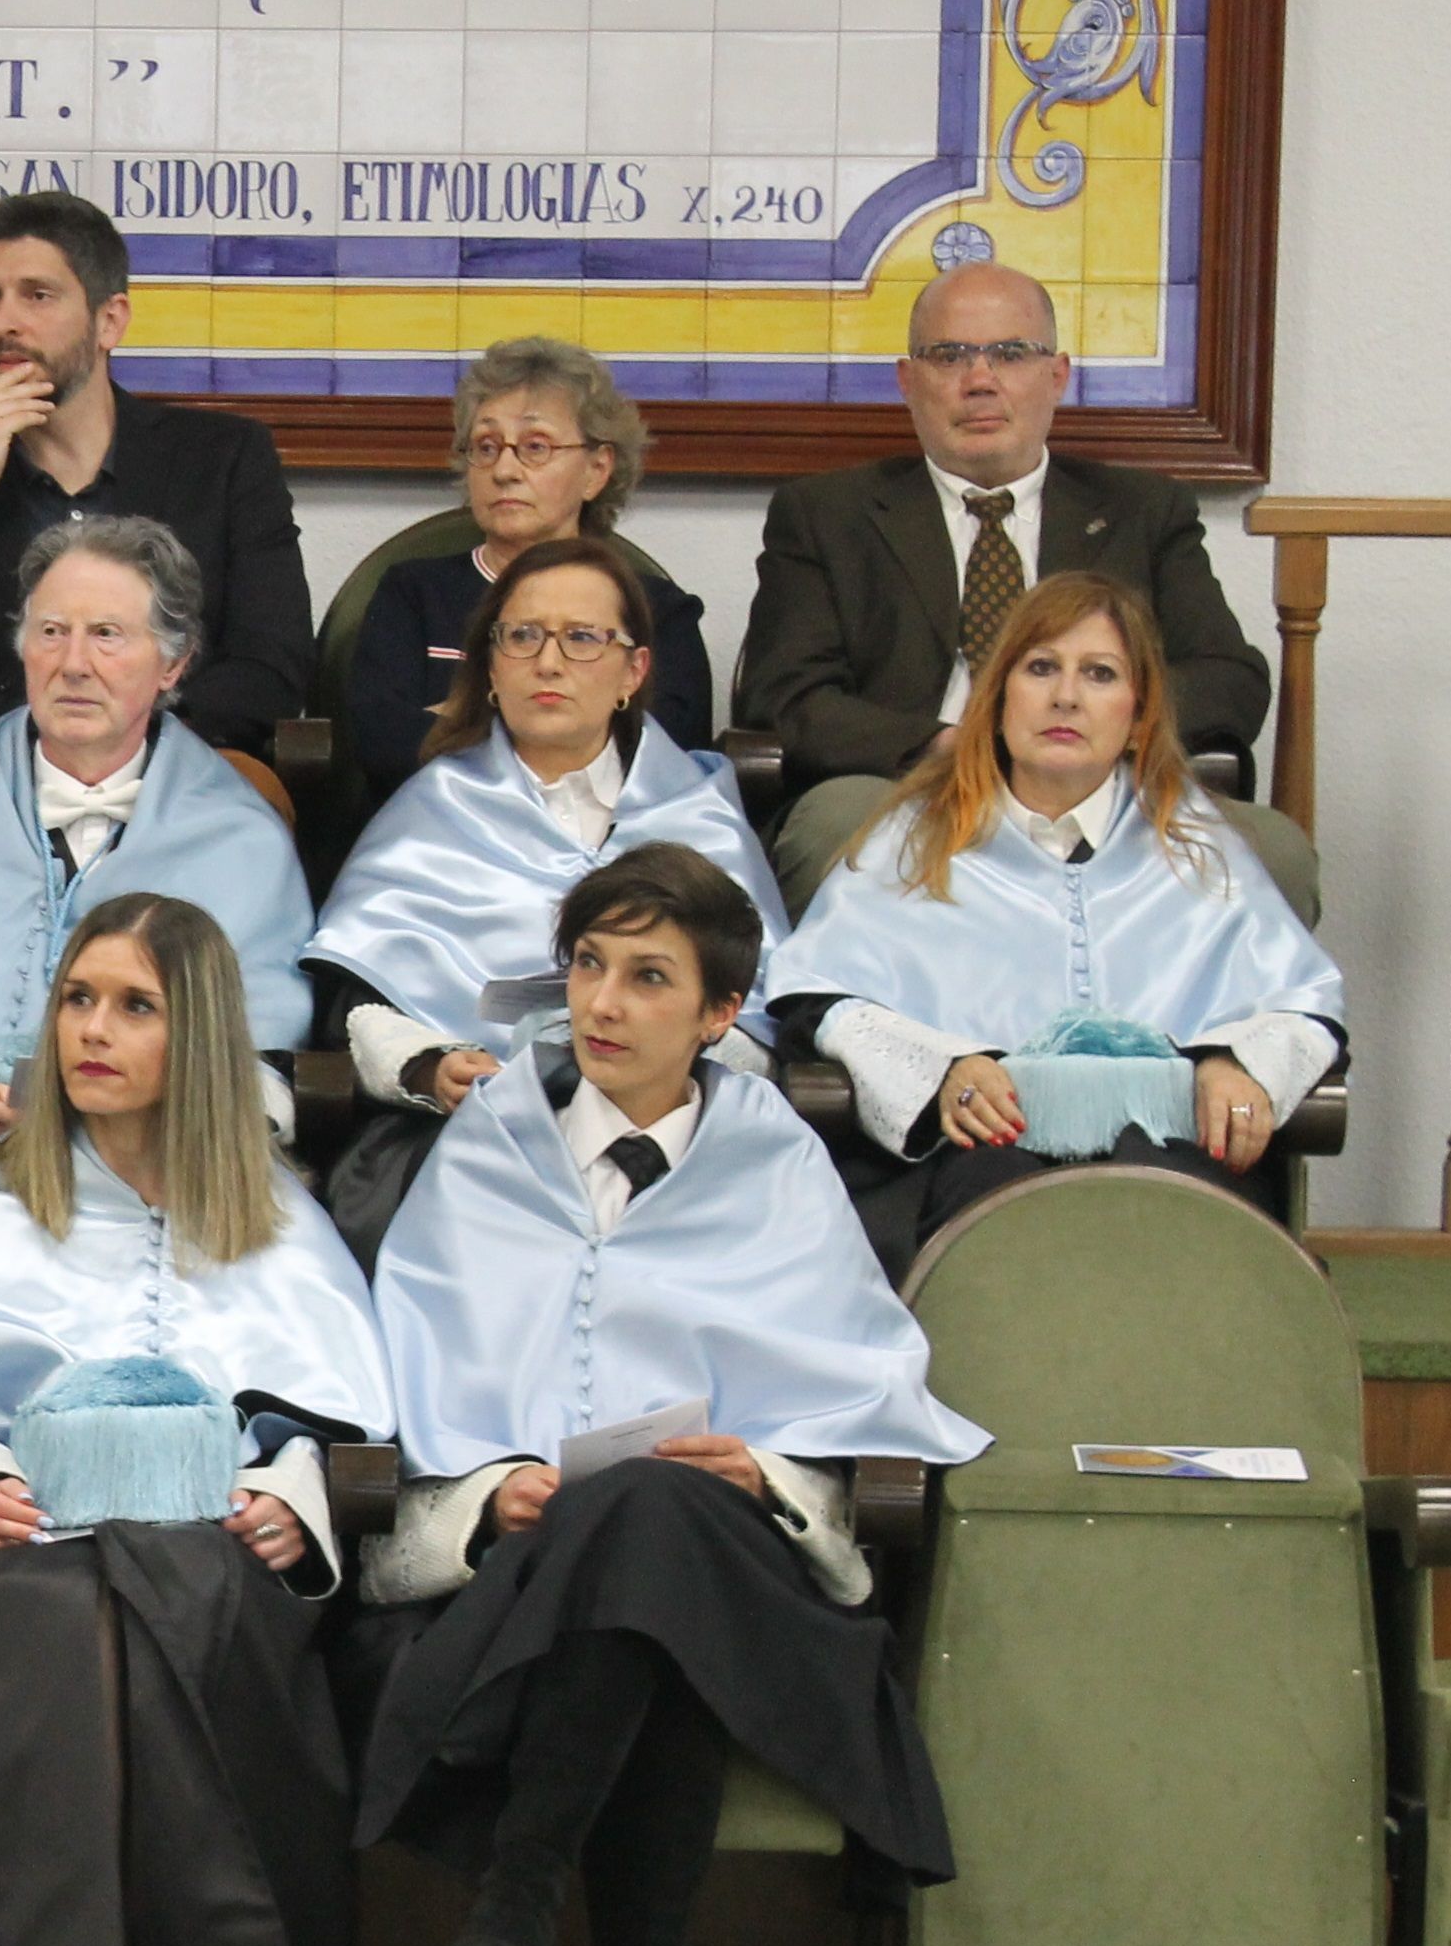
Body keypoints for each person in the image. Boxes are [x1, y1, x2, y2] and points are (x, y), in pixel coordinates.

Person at [355, 844, 988, 1946]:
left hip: (738, 1572)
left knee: (663, 1513)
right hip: (525, 1580)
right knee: (651, 1606)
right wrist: (486, 1491)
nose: (605, 1001)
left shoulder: (777, 1163)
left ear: (717, 1016)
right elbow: (407, 1371)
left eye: (650, 977)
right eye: (587, 965)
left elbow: (851, 1391)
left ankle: (522, 1888)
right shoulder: (488, 1148)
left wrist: (765, 1475)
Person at [0, 895, 388, 1946]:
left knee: (125, 1593)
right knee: (63, 1598)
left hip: (214, 1556)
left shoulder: (277, 1218)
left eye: (134, 1005)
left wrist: (294, 1498)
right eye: (77, 999)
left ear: (198, 1032)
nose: (92, 1030)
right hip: (25, 1545)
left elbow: (335, 1430)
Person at [761, 574, 1344, 1275]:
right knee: (993, 1205)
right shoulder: (910, 843)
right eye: (1040, 668)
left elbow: (1303, 1005)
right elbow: (818, 1001)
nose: (1065, 696)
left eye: (1098, 674)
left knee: (1179, 1208)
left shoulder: (1198, 852)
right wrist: (943, 1067)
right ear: (998, 697)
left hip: (1169, 1151)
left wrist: (1236, 1061)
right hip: (971, 1152)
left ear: (1137, 714)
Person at [734, 260, 1311, 919]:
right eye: (948, 356)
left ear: (1056, 375)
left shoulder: (1143, 510)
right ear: (907, 380)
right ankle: (855, 1025)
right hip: (908, 783)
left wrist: (1098, 734)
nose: (979, 380)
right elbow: (784, 695)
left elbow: (1230, 678)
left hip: (1104, 784)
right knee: (836, 824)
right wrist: (950, 744)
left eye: (1009, 354)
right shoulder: (826, 515)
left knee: (1274, 852)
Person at [0, 514, 316, 1266]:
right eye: (50, 632)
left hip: (174, 1150)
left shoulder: (241, 837)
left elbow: (255, 1053)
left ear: (173, 663)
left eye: (106, 634)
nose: (71, 663)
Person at [305, 538, 790, 1262]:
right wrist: (429, 1067)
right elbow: (359, 1002)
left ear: (634, 670)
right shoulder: (429, 813)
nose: (549, 661)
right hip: (466, 1126)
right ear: (489, 666)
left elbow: (757, 1013)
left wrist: (660, 1076)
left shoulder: (699, 813)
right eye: (522, 636)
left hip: (670, 1129)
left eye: (582, 637)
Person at [0, 191, 314, 759]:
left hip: (174, 765)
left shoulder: (224, 460)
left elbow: (274, 668)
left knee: (254, 795)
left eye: (37, 295)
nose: (3, 323)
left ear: (109, 321)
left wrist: (123, 739)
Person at [344, 340, 714, 794]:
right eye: (486, 445)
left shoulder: (658, 611)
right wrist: (566, 723)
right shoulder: (414, 593)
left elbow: (661, 755)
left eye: (535, 446)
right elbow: (382, 745)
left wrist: (460, 716)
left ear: (597, 469)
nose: (504, 470)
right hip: (440, 831)